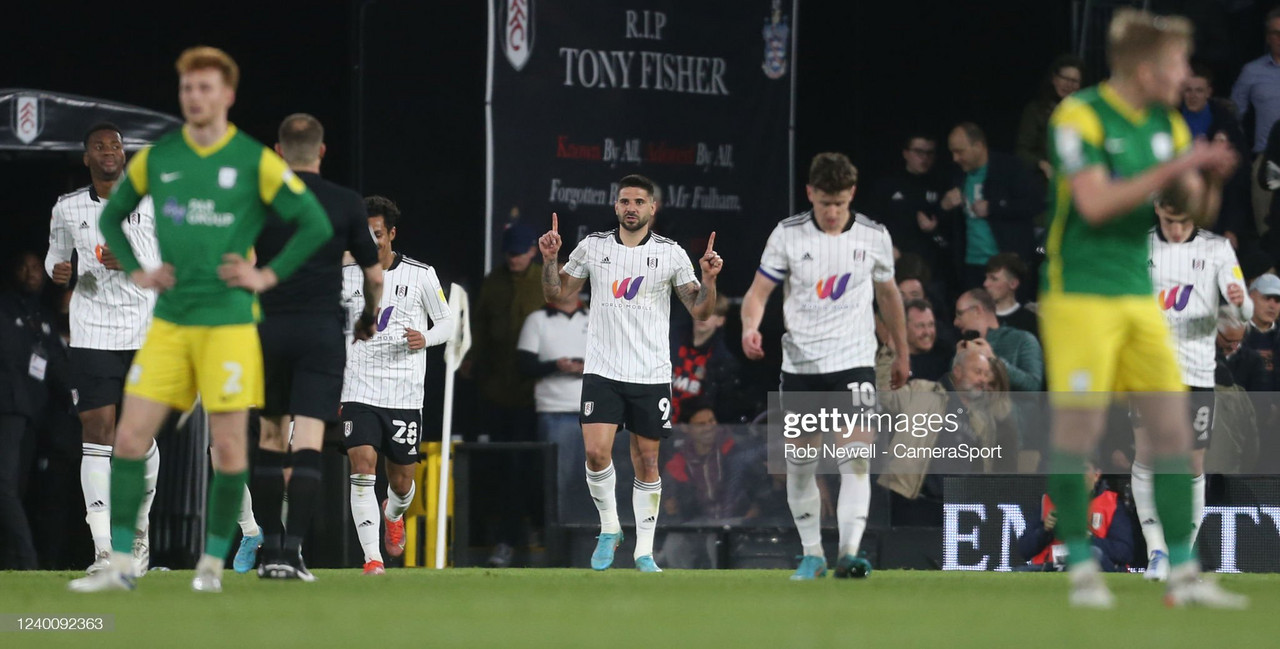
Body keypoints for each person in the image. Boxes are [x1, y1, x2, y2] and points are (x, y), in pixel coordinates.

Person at [70, 46, 333, 593]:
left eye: (206, 88)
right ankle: (120, 563)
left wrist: (267, 275)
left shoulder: (254, 159)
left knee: (231, 449)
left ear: (228, 95)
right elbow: (113, 215)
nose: (195, 97)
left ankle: (212, 565)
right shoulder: (159, 157)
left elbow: (312, 221)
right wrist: (141, 269)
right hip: (168, 323)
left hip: (230, 325)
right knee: (128, 440)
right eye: (188, 88)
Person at [1039, 10, 1243, 607]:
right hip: (1079, 293)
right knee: (1076, 433)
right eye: (1176, 63)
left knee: (1173, 432)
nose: (1184, 75)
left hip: (1135, 293)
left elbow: (1193, 208)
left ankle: (1181, 570)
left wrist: (1209, 175)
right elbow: (1096, 203)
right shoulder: (1078, 116)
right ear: (1144, 66)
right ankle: (1078, 567)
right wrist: (1181, 166)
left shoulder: (1167, 126)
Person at [538, 173, 722, 573]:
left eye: (639, 202)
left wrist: (708, 279)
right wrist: (550, 259)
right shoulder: (593, 247)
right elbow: (556, 294)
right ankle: (609, 528)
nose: (631, 208)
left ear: (653, 208)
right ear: (616, 206)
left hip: (650, 372)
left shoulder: (671, 254)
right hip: (603, 368)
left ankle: (644, 551)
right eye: (625, 201)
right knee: (595, 452)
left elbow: (701, 311)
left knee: (648, 462)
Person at [741, 152, 909, 580]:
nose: (832, 213)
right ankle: (812, 553)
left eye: (840, 203)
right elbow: (758, 292)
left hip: (853, 362)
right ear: (810, 194)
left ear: (851, 194)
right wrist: (749, 328)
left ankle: (849, 552)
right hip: (799, 367)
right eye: (824, 203)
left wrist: (903, 352)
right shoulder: (788, 235)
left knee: (856, 460)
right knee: (800, 466)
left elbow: (889, 296)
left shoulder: (873, 236)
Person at [248, 114, 384, 580]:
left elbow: (240, 261)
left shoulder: (260, 198)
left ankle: (270, 551)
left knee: (269, 438)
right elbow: (374, 274)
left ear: (279, 151)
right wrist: (367, 319)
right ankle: (294, 553)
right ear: (322, 151)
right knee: (307, 439)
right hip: (321, 333)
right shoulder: (345, 202)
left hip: (267, 330)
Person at [44, 122, 162, 576]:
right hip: (92, 330)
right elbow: (57, 253)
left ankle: (137, 533)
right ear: (86, 158)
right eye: (100, 146)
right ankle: (104, 550)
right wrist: (59, 270)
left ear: (124, 154)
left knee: (137, 438)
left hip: (145, 332)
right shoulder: (67, 207)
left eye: (115, 145)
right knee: (97, 431)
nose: (109, 151)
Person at [1135, 181, 1252, 581]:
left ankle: (1182, 553)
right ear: (1157, 210)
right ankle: (1156, 553)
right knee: (1147, 455)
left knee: (1192, 461)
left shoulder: (1216, 248)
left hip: (1198, 372)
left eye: (1183, 222)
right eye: (1169, 221)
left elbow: (1246, 308)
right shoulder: (1141, 246)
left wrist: (1239, 299)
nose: (1176, 230)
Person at [341, 196, 452, 575]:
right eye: (364, 235)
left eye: (377, 235)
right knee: (362, 464)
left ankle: (393, 513)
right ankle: (372, 557)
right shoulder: (346, 274)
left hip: (404, 394)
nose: (371, 243)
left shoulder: (420, 274)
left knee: (402, 481)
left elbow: (449, 324)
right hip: (357, 389)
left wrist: (427, 337)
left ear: (391, 233)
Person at [517, 286, 589, 524]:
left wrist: (585, 368)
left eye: (569, 277)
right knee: (557, 479)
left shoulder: (596, 317)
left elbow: (616, 358)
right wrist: (556, 366)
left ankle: (587, 538)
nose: (564, 284)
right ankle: (556, 538)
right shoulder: (537, 319)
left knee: (594, 479)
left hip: (593, 412)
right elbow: (524, 366)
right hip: (553, 410)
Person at [941, 123, 1042, 291]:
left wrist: (994, 208)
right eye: (952, 152)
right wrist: (944, 206)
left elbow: (1034, 204)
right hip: (971, 264)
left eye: (960, 151)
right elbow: (948, 223)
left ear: (978, 146)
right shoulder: (957, 174)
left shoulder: (1010, 167)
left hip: (1007, 264)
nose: (955, 158)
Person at [1016, 459, 1134, 573]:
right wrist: (1045, 530)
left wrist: (1088, 538)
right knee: (1018, 572)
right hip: (1051, 568)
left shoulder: (1111, 503)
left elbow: (1125, 553)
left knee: (1093, 553)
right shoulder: (1049, 501)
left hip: (1093, 568)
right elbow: (1024, 550)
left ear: (1097, 475)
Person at [1230, 7, 1280, 236]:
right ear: (1268, 36)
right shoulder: (1252, 71)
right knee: (1267, 233)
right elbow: (1233, 116)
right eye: (1275, 32)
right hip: (1267, 160)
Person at [864, 133, 947, 263]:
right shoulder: (888, 185)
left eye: (929, 153)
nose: (924, 158)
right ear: (906, 153)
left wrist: (934, 228)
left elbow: (950, 229)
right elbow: (870, 221)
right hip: (894, 259)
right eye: (919, 152)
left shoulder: (941, 185)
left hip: (931, 262)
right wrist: (885, 247)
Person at [670, 294, 745, 423]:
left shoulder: (723, 361)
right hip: (656, 416)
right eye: (701, 310)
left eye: (710, 313)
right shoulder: (668, 338)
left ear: (720, 321)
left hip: (689, 430)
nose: (703, 317)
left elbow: (722, 406)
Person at [953, 289, 1043, 391]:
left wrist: (993, 360)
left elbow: (1033, 386)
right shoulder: (962, 348)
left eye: (960, 314)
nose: (956, 322)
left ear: (977, 310)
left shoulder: (1023, 340)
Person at [1016, 54, 1086, 181]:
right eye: (1065, 78)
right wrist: (1042, 164)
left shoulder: (1086, 112)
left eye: (1074, 81)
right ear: (1054, 79)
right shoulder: (1036, 110)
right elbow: (1022, 151)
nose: (1069, 85)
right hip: (1045, 181)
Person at [983, 253, 1039, 338]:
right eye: (986, 278)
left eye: (994, 279)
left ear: (1013, 284)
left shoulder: (1031, 322)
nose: (985, 284)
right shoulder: (978, 317)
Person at [904, 299, 951, 382]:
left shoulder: (947, 355)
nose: (927, 332)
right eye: (920, 326)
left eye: (931, 325)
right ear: (904, 328)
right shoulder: (895, 361)